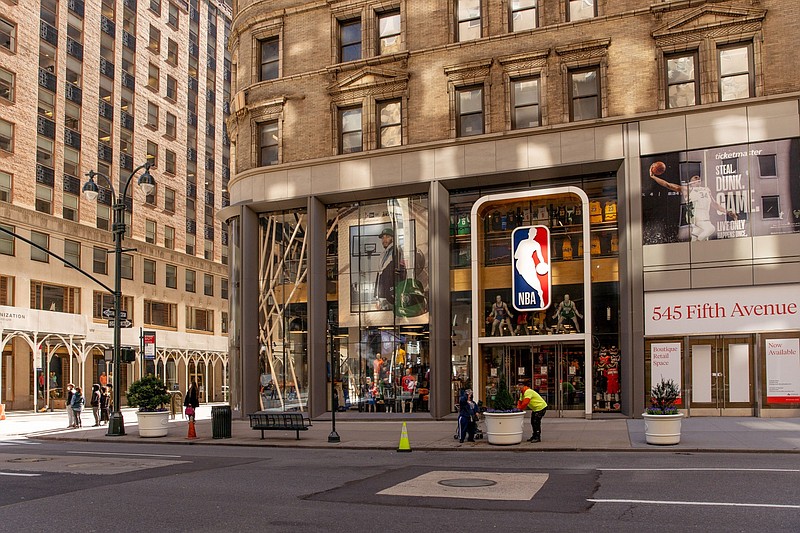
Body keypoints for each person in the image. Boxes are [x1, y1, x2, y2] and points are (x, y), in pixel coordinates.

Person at [649, 167, 738, 242]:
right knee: (711, 229)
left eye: (698, 177)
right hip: (695, 216)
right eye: (694, 177)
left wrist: (728, 212)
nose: (696, 177)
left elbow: (715, 204)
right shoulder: (687, 189)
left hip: (704, 218)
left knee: (695, 239)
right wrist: (653, 177)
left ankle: (695, 247)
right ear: (690, 181)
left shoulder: (706, 189)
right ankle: (698, 244)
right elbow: (668, 185)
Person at [374, 227, 406, 310]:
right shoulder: (383, 254)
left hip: (392, 295)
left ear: (393, 238)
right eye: (383, 237)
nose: (384, 239)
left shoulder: (397, 251)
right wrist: (377, 296)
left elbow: (402, 272)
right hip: (383, 296)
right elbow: (379, 276)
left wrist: (397, 292)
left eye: (387, 237)